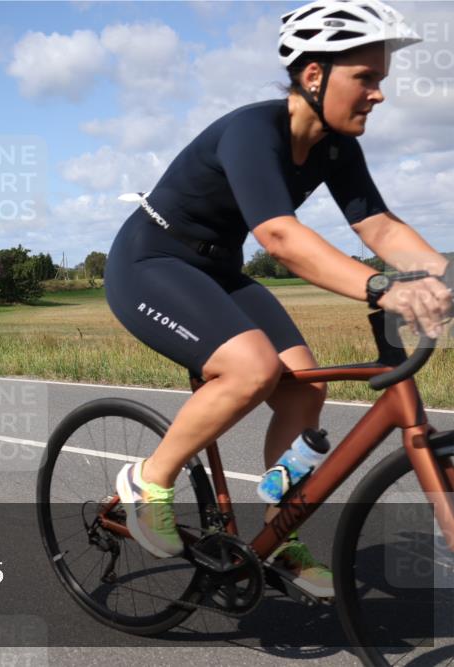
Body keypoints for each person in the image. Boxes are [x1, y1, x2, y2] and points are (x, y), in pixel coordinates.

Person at [105, 0, 452, 598]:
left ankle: (276, 537)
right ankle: (148, 479)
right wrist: (378, 286)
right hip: (151, 263)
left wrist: (442, 275)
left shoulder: (337, 147)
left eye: (381, 81)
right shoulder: (252, 130)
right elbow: (280, 236)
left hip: (218, 269)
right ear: (314, 75)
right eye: (365, 79)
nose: (379, 94)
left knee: (304, 382)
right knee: (252, 370)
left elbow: (380, 228)